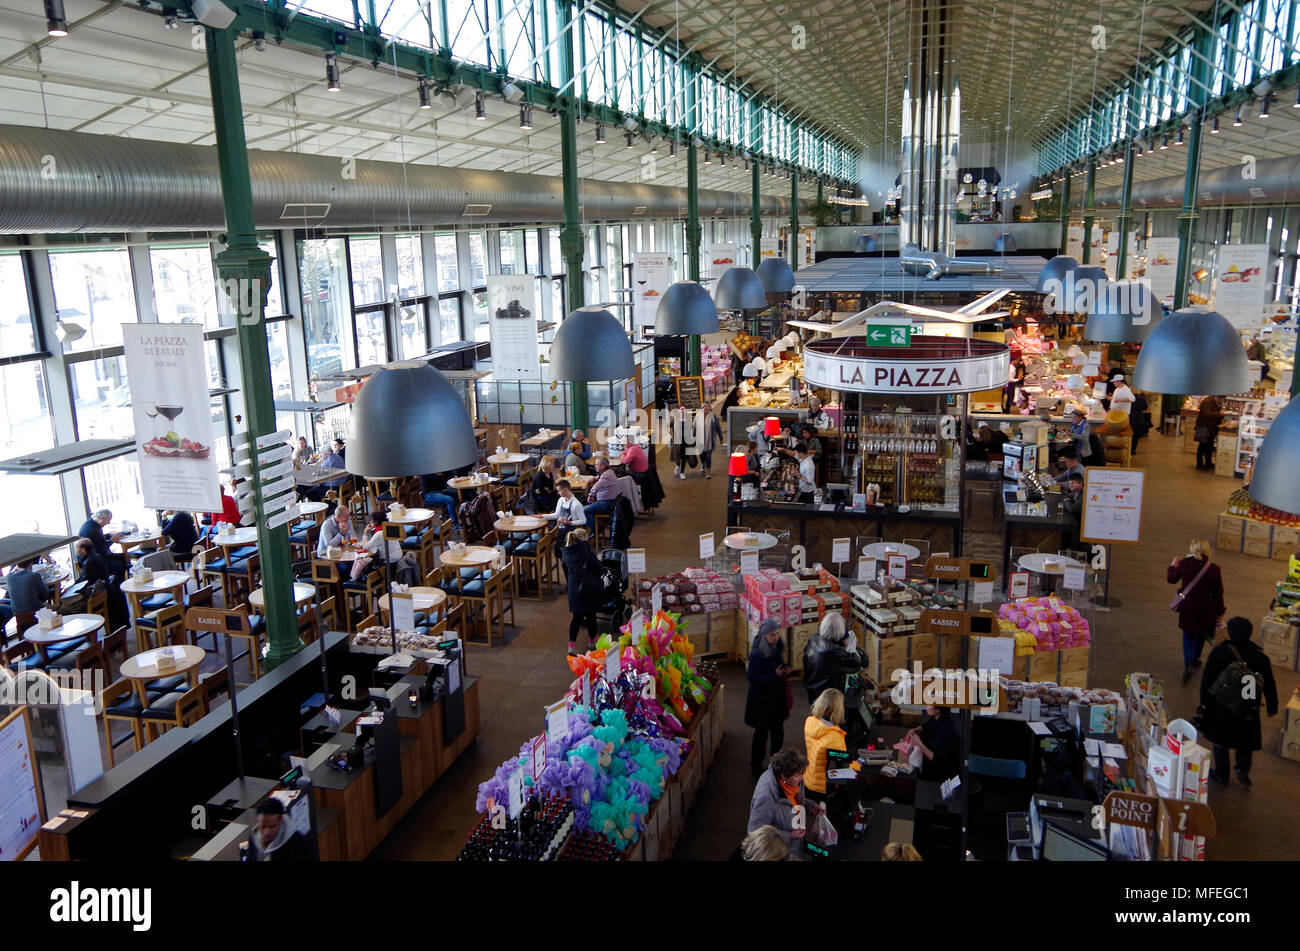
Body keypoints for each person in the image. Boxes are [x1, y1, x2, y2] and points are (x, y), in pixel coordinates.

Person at [1198, 617, 1278, 787]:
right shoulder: (1260, 657)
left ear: (1231, 632)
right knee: (1245, 739)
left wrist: (1204, 701)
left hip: (1222, 705)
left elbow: (1208, 678)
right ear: (1250, 634)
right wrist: (1272, 706)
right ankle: (1242, 769)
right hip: (1249, 706)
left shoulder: (1220, 652)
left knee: (1220, 740)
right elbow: (1269, 684)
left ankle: (1222, 774)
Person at [1167, 538, 1225, 684]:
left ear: (1192, 549)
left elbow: (1171, 579)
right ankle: (1194, 660)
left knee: (1187, 635)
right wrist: (1220, 610)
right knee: (1201, 635)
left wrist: (1173, 566)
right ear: (1207, 551)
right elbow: (1219, 592)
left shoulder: (1185, 564)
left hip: (1187, 607)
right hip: (1207, 608)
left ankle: (1188, 663)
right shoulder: (1214, 569)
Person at [746, 618, 793, 777]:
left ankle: (776, 764)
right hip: (762, 701)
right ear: (764, 635)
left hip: (776, 699)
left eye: (778, 633)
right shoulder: (757, 654)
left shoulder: (776, 648)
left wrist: (785, 669)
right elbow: (752, 678)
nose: (776, 637)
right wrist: (774, 675)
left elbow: (777, 665)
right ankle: (756, 767)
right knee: (761, 734)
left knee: (778, 733)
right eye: (772, 635)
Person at [746, 747, 807, 860]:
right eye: (798, 775)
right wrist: (789, 836)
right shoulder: (765, 798)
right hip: (780, 854)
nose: (802, 778)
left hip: (793, 847)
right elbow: (755, 832)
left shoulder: (793, 783)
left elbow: (793, 800)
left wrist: (810, 805)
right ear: (784, 776)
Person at [802, 612, 864, 706]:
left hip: (813, 689)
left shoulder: (814, 638)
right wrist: (850, 647)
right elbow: (857, 664)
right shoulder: (835, 652)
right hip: (827, 696)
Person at [559, 528, 603, 654]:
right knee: (591, 616)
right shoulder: (588, 553)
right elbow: (599, 571)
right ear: (584, 538)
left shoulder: (566, 552)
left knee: (576, 618)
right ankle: (591, 642)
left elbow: (565, 569)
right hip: (589, 588)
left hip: (574, 588)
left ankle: (571, 645)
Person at [802, 688, 848, 802]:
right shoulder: (835, 736)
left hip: (807, 780)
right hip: (821, 788)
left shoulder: (810, 721)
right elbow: (844, 761)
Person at [73, 538, 129, 629]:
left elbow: (85, 583)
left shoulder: (89, 563)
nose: (76, 552)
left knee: (70, 607)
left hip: (95, 597)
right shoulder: (97, 557)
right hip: (105, 592)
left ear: (83, 550)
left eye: (77, 549)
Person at [244, 797, 311, 861]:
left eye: (272, 826)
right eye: (263, 826)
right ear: (257, 822)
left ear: (281, 821)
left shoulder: (299, 844)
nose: (267, 832)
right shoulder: (254, 837)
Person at [907, 705, 962, 783]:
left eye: (929, 705)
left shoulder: (945, 728)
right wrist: (914, 730)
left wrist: (919, 743)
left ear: (938, 710)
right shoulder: (936, 718)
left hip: (940, 775)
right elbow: (925, 727)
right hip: (931, 767)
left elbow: (935, 758)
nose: (926, 706)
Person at [351, 510, 400, 581]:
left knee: (364, 562)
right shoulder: (388, 528)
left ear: (376, 522)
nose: (370, 522)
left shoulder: (379, 534)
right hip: (397, 558)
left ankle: (359, 581)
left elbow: (365, 546)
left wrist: (365, 532)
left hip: (389, 561)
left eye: (371, 521)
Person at [3, 559, 50, 630]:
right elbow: (45, 594)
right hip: (34, 611)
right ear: (31, 564)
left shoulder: (9, 577)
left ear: (17, 565)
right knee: (54, 605)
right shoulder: (34, 576)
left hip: (17, 612)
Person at [78, 509, 127, 574]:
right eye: (109, 520)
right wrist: (112, 540)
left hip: (95, 556)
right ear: (102, 518)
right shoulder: (91, 529)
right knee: (120, 565)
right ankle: (115, 583)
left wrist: (110, 535)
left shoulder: (91, 524)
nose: (108, 523)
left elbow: (98, 540)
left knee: (123, 557)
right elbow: (100, 548)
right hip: (92, 560)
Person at [582, 458, 620, 530]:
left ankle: (596, 530)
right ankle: (595, 527)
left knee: (583, 510)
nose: (595, 466)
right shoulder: (608, 472)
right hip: (607, 501)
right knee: (587, 506)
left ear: (603, 466)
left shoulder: (607, 474)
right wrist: (591, 480)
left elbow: (596, 486)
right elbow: (597, 478)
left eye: (597, 464)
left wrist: (591, 495)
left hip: (607, 503)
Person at [1194, 396, 1223, 471]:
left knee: (1209, 446)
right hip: (1204, 427)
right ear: (1215, 396)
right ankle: (1199, 464)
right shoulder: (1207, 402)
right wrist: (1219, 414)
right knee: (1202, 446)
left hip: (1210, 427)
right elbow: (1206, 414)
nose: (1220, 400)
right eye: (1220, 398)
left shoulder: (1214, 402)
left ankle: (1208, 463)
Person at [696, 404, 725, 479]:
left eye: (707, 406)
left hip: (710, 441)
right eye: (704, 407)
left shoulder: (713, 417)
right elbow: (694, 428)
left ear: (710, 408)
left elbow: (718, 428)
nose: (705, 408)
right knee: (702, 455)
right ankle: (703, 464)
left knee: (708, 456)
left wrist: (721, 439)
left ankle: (708, 472)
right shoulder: (698, 417)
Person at [1060, 474, 1085, 553]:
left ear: (1080, 483)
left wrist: (1067, 501)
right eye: (1070, 483)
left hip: (1081, 524)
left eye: (1073, 483)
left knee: (1065, 532)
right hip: (1076, 521)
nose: (1070, 485)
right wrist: (1067, 500)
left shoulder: (1084, 494)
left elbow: (1072, 508)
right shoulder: (1076, 492)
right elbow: (1067, 496)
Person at [1129, 390, 1152, 455]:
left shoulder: (1129, 398)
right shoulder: (1142, 399)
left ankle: (1128, 450)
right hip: (1139, 418)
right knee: (1136, 435)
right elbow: (1145, 407)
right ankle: (1133, 450)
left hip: (1130, 417)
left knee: (1129, 434)